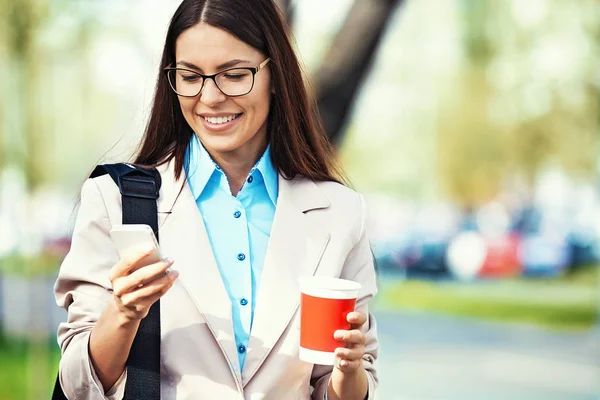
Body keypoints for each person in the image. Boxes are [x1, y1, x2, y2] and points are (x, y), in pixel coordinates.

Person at [53, 0, 379, 398]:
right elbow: (76, 385)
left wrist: (348, 375)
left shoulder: (339, 214)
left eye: (235, 75)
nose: (210, 98)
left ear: (275, 74)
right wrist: (123, 313)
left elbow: (343, 384)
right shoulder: (114, 200)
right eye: (190, 77)